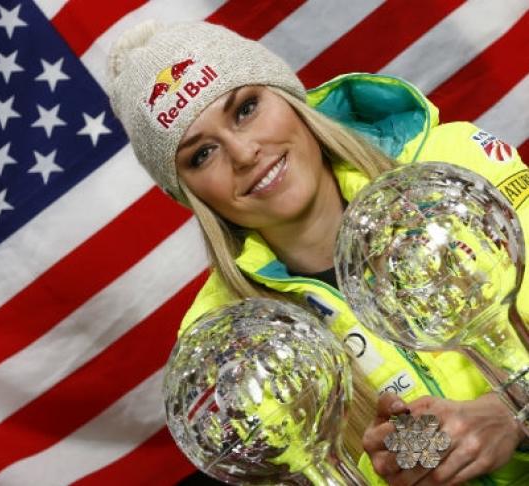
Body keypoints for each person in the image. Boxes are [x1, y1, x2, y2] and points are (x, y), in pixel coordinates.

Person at [107, 20, 529, 486]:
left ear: (289, 96)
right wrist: (388, 473)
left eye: (246, 108)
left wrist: (512, 413)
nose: (244, 153)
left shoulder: (453, 168)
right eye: (202, 154)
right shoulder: (224, 344)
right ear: (187, 193)